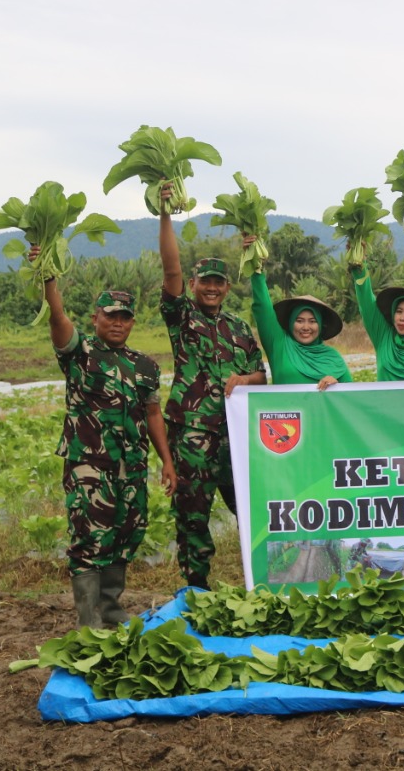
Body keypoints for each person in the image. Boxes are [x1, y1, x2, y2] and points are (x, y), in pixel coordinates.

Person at [30, 245, 176, 627]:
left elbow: (153, 413)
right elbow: (57, 317)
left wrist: (167, 461)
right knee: (90, 540)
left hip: (132, 466)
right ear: (96, 317)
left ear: (132, 322)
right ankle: (89, 624)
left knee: (126, 534)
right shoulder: (80, 353)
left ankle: (111, 613)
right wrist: (48, 275)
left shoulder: (144, 365)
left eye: (125, 317)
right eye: (111, 315)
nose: (118, 323)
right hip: (90, 467)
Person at [158, 186, 266, 590]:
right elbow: (169, 272)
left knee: (254, 514)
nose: (213, 288)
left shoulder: (238, 327)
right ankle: (196, 589)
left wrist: (244, 379)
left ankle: (262, 584)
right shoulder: (183, 318)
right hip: (193, 438)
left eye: (219, 282)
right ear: (195, 283)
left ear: (226, 286)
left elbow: (261, 375)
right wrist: (165, 215)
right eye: (205, 281)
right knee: (192, 516)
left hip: (237, 440)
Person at [243, 235, 351, 390]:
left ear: (320, 326)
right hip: (289, 414)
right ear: (290, 322)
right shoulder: (279, 344)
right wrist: (255, 265)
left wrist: (336, 385)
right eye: (299, 320)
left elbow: (352, 397)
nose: (306, 327)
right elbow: (262, 307)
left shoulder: (333, 358)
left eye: (312, 321)